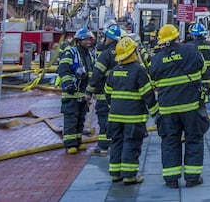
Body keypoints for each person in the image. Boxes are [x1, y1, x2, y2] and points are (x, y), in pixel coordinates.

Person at [149, 24, 210, 189]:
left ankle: (171, 179)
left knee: (169, 142)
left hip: (167, 110)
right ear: (177, 37)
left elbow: (153, 83)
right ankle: (192, 178)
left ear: (162, 42)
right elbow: (204, 70)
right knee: (194, 140)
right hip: (192, 106)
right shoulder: (191, 51)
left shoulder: (156, 59)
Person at [104, 36, 158, 185]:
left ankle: (115, 173)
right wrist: (155, 112)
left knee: (116, 143)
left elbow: (107, 93)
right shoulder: (138, 71)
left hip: (114, 117)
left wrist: (113, 108)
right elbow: (147, 94)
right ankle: (129, 175)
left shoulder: (114, 71)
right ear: (134, 52)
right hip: (133, 118)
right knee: (131, 144)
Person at [85, 24, 122, 156]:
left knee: (104, 120)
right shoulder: (123, 52)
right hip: (121, 95)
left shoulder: (106, 55)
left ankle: (103, 147)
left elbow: (97, 74)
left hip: (104, 95)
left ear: (108, 38)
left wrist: (89, 92)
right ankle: (113, 145)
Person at [57, 27, 96, 154]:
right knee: (71, 119)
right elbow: (63, 69)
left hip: (83, 94)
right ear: (79, 40)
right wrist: (69, 85)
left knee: (80, 119)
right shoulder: (71, 52)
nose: (89, 42)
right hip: (71, 94)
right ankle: (70, 144)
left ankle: (78, 141)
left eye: (90, 39)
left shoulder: (89, 54)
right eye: (86, 39)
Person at [188, 23, 210, 104]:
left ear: (193, 35)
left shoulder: (189, 47)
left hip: (193, 80)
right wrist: (209, 70)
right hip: (207, 79)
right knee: (205, 103)